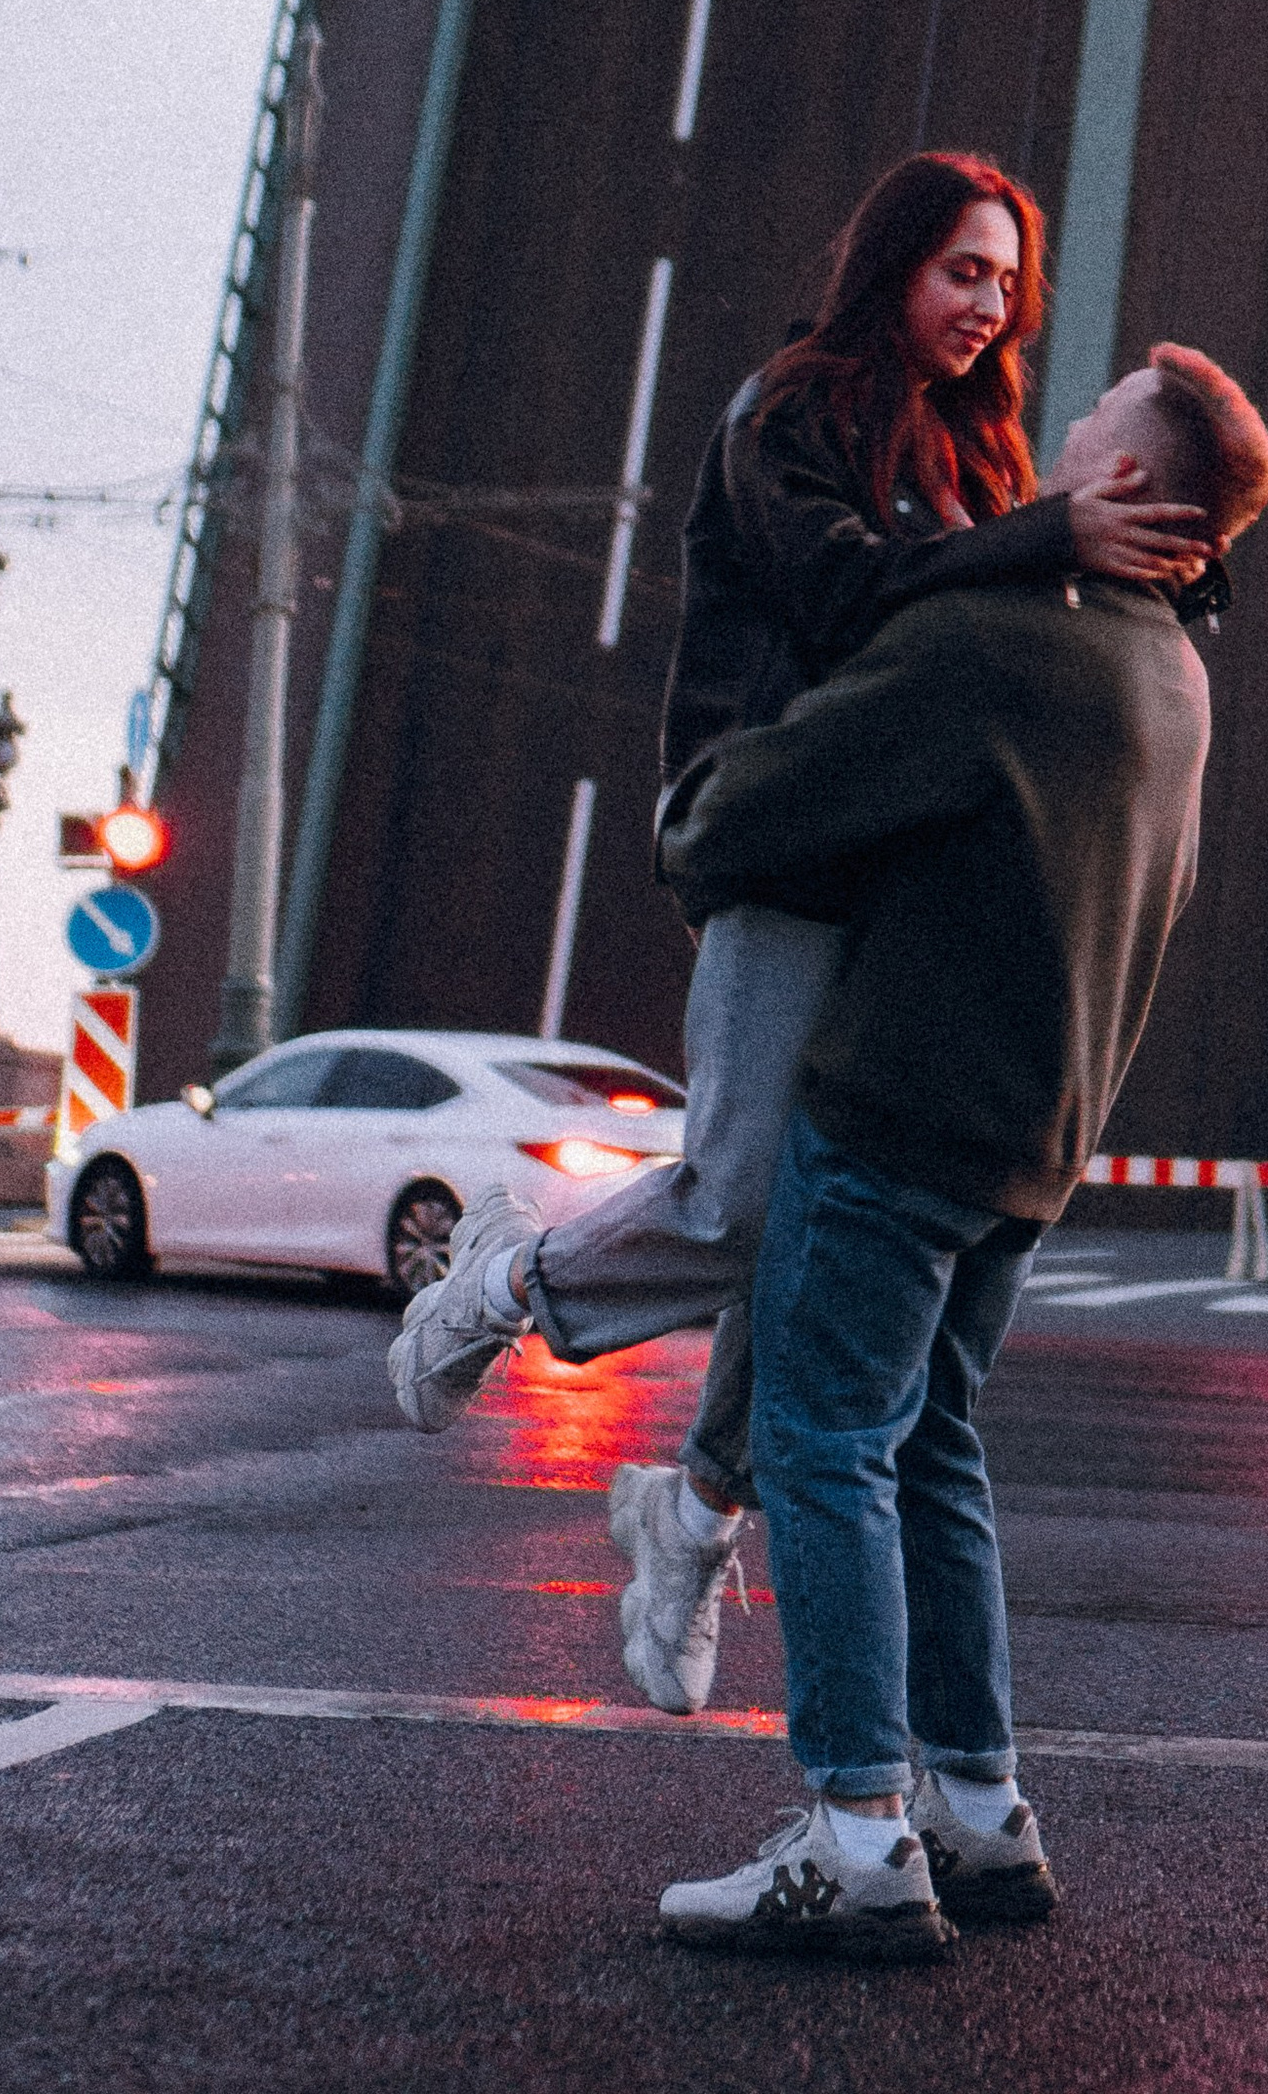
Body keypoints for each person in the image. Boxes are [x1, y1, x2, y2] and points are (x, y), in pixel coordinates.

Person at [386, 153, 1207, 1721]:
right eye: (962, 269)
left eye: (1007, 281)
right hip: (785, 829)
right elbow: (840, 599)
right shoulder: (791, 410)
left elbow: (1017, 641)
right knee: (746, 1194)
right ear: (893, 264)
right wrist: (1047, 540)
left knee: (816, 1233)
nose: (988, 305)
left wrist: (1162, 552)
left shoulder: (983, 454)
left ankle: (693, 1514)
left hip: (905, 860)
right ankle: (502, 1283)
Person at [651, 342, 1268, 1962]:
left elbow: (765, 804)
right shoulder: (1175, 676)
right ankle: (980, 1809)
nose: (1064, 420)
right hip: (1034, 1141)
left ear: (1126, 477)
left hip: (897, 1113)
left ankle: (857, 1833)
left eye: (1097, 413)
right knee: (933, 1447)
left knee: (824, 1444)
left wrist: (690, 814)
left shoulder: (1000, 639)